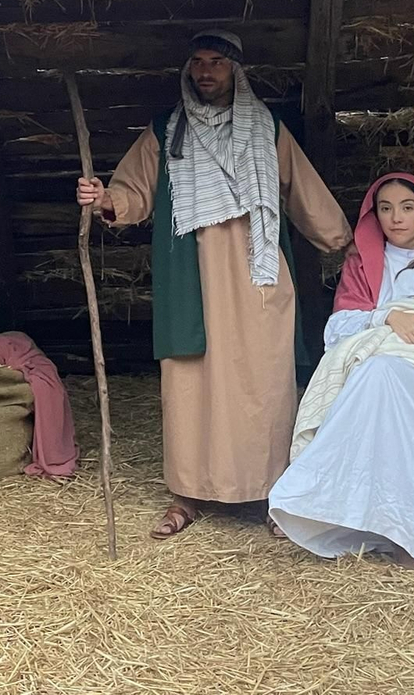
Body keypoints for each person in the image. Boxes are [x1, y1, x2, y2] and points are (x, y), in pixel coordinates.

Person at [75, 31, 352, 538]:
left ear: (235, 71)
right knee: (191, 382)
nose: (206, 71)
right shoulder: (167, 130)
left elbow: (300, 188)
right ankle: (188, 494)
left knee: (264, 381)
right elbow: (133, 190)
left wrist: (341, 240)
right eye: (198, 62)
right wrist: (104, 198)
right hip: (192, 274)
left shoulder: (266, 128)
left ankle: (273, 494)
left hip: (257, 271)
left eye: (217, 63)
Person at [268, 173, 414, 584]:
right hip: (376, 368)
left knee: (383, 379)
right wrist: (386, 316)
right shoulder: (363, 269)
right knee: (377, 376)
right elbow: (338, 329)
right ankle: (322, 509)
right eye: (386, 208)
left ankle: (412, 533)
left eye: (407, 207)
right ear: (374, 215)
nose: (396, 218)